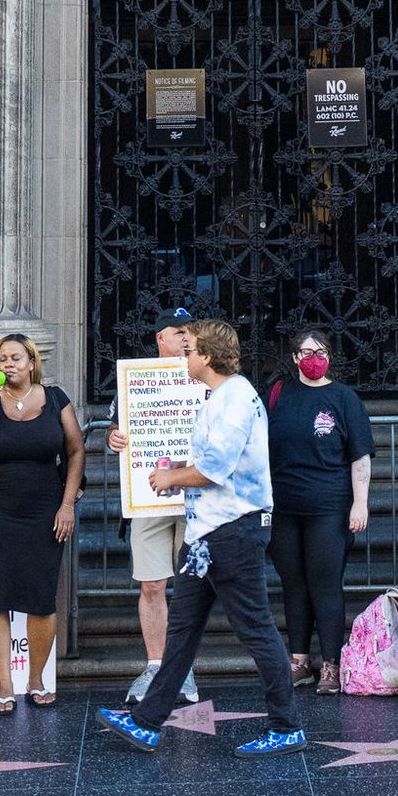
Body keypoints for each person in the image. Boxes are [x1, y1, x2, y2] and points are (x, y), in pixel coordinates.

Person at [97, 319, 307, 756]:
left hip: (233, 531)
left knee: (256, 628)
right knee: (183, 631)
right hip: (204, 534)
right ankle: (146, 722)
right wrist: (179, 474)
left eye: (189, 349)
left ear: (207, 356)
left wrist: (171, 476)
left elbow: (215, 469)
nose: (184, 357)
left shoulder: (233, 398)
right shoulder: (220, 397)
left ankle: (286, 726)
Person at [0, 332, 84, 712]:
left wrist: (67, 503)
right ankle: (4, 687)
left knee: (41, 597)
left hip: (45, 508)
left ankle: (36, 680)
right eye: (1, 359)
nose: (7, 365)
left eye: (15, 358)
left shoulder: (56, 399)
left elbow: (74, 451)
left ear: (31, 362)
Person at [266, 327, 374, 693]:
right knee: (293, 584)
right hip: (284, 507)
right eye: (306, 351)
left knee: (325, 584)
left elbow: (359, 455)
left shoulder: (343, 398)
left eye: (321, 351)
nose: (314, 358)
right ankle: (299, 660)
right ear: (294, 357)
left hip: (329, 506)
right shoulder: (278, 394)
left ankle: (331, 663)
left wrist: (360, 503)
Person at [105, 305, 202, 706]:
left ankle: (184, 669)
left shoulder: (206, 378)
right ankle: (156, 664)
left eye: (189, 332)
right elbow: (117, 424)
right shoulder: (135, 379)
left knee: (193, 587)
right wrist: (114, 438)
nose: (184, 338)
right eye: (177, 332)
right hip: (149, 496)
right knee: (151, 583)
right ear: (160, 338)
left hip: (197, 495)